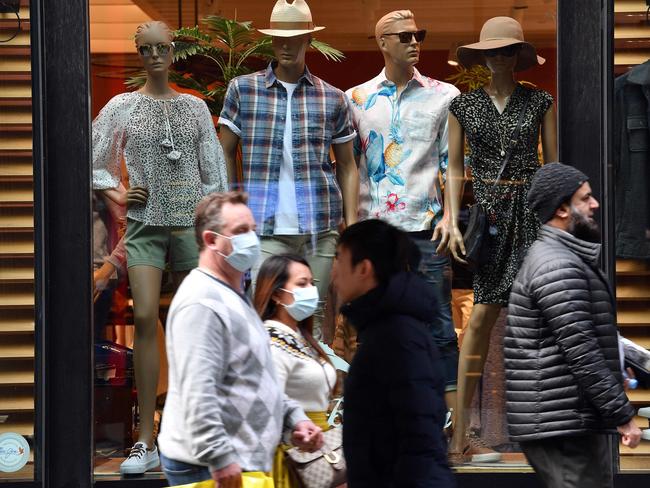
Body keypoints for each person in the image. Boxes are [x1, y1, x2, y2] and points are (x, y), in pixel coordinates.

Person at [92, 20, 227, 473]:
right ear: (138, 53)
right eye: (145, 49)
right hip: (145, 224)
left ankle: (197, 431)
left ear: (172, 51)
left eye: (161, 48)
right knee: (146, 316)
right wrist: (117, 195)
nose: (154, 56)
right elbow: (96, 164)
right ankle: (145, 439)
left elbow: (215, 175)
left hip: (191, 226)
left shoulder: (193, 108)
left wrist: (214, 226)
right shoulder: (122, 106)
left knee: (197, 323)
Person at [435, 16, 558, 463]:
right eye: (492, 52)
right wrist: (450, 216)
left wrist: (553, 226)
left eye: (507, 51)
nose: (499, 59)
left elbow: (552, 168)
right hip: (487, 219)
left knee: (538, 322)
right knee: (481, 319)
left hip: (529, 216)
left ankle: (545, 435)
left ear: (518, 56)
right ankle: (459, 435)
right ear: (483, 57)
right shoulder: (463, 107)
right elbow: (453, 167)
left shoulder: (540, 101)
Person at [157, 192, 323, 486]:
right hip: (209, 466)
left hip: (239, 462)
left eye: (253, 230)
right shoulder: (201, 301)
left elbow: (258, 377)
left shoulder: (233, 296)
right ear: (211, 240)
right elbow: (198, 388)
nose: (252, 240)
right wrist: (219, 456)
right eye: (240, 231)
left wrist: (295, 418)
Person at [345, 9, 460, 424]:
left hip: (426, 228)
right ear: (382, 42)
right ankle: (381, 413)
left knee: (439, 325)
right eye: (406, 36)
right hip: (374, 232)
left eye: (419, 34)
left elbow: (451, 163)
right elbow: (350, 167)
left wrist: (450, 216)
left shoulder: (443, 96)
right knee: (373, 324)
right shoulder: (355, 98)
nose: (415, 42)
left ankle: (451, 422)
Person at [218, 0, 358, 339]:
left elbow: (348, 166)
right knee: (264, 315)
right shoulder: (243, 90)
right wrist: (230, 211)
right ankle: (269, 391)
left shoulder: (332, 98)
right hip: (264, 228)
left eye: (294, 37)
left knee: (315, 315)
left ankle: (312, 392)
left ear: (308, 40)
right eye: (279, 37)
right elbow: (224, 153)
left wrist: (352, 226)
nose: (285, 44)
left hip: (319, 228)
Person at [505, 162, 642, 488]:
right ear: (562, 208)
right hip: (563, 423)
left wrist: (619, 365)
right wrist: (622, 416)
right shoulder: (557, 265)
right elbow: (581, 351)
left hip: (565, 417)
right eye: (585, 198)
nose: (595, 204)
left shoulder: (562, 259)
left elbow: (580, 339)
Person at [332, 219, 454, 488]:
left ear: (364, 268)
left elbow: (418, 436)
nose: (334, 272)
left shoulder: (397, 336)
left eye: (339, 259)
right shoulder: (387, 327)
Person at [254, 254, 337, 488]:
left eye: (312, 283)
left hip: (318, 453)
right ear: (277, 294)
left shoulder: (301, 338)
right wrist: (297, 433)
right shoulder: (270, 341)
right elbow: (270, 405)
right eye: (301, 284)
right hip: (292, 458)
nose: (311, 290)